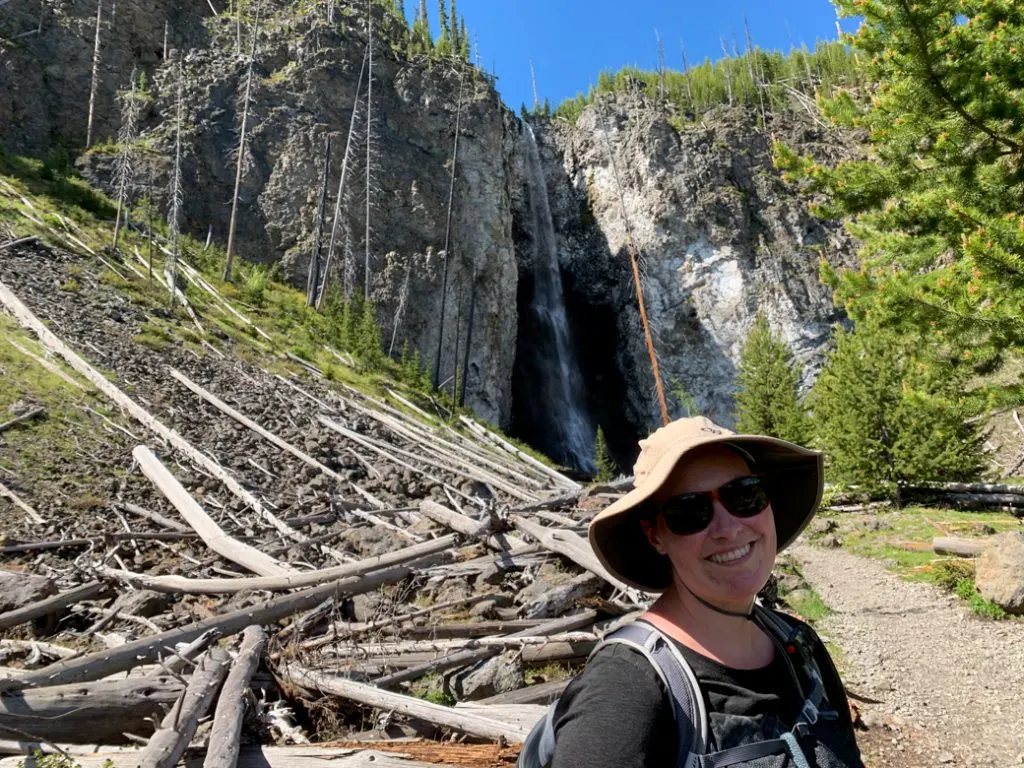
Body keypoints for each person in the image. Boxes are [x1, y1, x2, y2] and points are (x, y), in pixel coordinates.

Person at [548, 416, 864, 768]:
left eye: (745, 494)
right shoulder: (624, 690)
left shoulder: (801, 647)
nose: (728, 529)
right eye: (689, 512)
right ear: (655, 535)